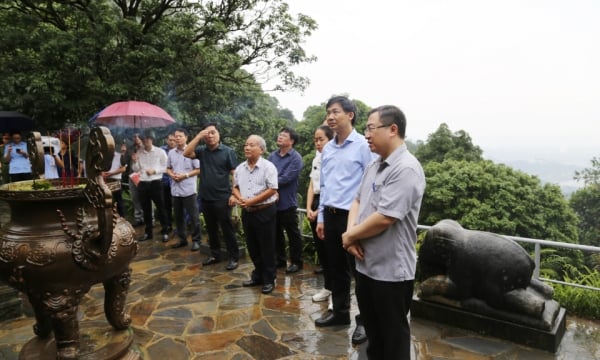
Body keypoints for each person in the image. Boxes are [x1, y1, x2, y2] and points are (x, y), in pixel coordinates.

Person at [342, 105, 425, 359]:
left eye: (370, 128)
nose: (366, 134)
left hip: (391, 273)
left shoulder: (406, 169)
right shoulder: (374, 166)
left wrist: (350, 236)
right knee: (374, 336)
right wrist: (351, 235)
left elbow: (385, 217)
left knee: (393, 339)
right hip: (366, 265)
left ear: (392, 130)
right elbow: (356, 201)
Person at [314, 96, 373, 347]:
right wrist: (322, 217)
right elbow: (325, 186)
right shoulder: (328, 148)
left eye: (335, 111)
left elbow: (371, 186)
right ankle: (339, 314)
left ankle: (365, 322)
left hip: (354, 219)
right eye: (328, 112)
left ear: (350, 115)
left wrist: (361, 225)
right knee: (335, 269)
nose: (330, 116)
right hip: (331, 215)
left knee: (361, 273)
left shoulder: (362, 145)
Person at [184, 123, 240, 270]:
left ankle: (234, 257)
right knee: (211, 228)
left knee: (227, 229)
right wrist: (197, 137)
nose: (210, 136)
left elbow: (235, 174)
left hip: (222, 197)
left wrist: (235, 194)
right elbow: (186, 153)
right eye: (207, 133)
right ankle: (215, 254)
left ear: (219, 134)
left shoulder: (228, 152)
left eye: (213, 133)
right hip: (206, 196)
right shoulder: (202, 151)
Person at [232, 135, 278, 294]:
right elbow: (235, 187)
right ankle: (257, 275)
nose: (247, 148)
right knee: (252, 246)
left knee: (267, 247)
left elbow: (272, 189)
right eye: (246, 144)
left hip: (264, 211)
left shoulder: (268, 167)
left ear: (261, 149)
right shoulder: (239, 168)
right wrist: (241, 199)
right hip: (248, 212)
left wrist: (251, 201)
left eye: (252, 145)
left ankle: (269, 279)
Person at [267, 127, 304, 273]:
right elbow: (266, 173)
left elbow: (287, 178)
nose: (280, 137)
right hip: (272, 202)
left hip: (287, 203)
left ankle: (297, 262)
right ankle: (280, 260)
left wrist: (270, 182)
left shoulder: (296, 158)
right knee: (276, 233)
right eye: (279, 135)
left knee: (293, 234)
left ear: (292, 141)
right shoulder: (272, 156)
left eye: (284, 135)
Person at [306, 125, 334, 303]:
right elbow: (311, 184)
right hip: (315, 202)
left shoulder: (334, 158)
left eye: (321, 139)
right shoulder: (316, 159)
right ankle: (328, 287)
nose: (317, 143)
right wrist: (309, 207)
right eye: (315, 139)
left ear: (331, 140)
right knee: (322, 251)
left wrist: (319, 210)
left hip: (328, 205)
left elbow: (330, 187)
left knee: (333, 252)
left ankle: (337, 292)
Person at [166, 128, 202, 250]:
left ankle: (196, 240)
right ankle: (182, 239)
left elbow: (198, 169)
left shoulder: (192, 151)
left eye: (180, 136)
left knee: (194, 216)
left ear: (186, 137)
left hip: (188, 190)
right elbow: (168, 168)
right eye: (176, 136)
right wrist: (171, 175)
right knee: (178, 217)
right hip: (175, 190)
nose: (177, 138)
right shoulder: (171, 153)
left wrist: (184, 175)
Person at [131, 131, 170, 242]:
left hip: (156, 182)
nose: (146, 141)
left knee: (161, 207)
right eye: (144, 139)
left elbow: (166, 167)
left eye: (148, 139)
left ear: (152, 139)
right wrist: (134, 161)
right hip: (142, 183)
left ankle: (165, 231)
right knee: (146, 209)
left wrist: (155, 171)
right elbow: (136, 169)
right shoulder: (138, 152)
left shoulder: (160, 152)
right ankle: (148, 233)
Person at [101, 146, 127, 217]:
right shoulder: (103, 156)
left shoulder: (119, 156)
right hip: (105, 180)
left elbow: (123, 169)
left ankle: (122, 218)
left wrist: (111, 173)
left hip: (116, 179)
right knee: (107, 200)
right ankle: (110, 218)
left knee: (118, 200)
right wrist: (102, 172)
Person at [127, 133, 145, 226]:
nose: (136, 138)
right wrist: (123, 153)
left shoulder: (146, 147)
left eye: (138, 136)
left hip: (143, 175)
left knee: (145, 197)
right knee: (135, 198)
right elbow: (123, 162)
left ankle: (149, 218)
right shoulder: (130, 149)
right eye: (134, 136)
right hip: (132, 175)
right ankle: (138, 218)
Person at [161, 132, 176, 232]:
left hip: (176, 181)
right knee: (166, 205)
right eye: (170, 140)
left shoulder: (180, 151)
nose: (172, 142)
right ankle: (168, 225)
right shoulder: (161, 150)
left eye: (174, 140)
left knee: (178, 205)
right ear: (167, 140)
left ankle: (180, 226)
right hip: (164, 181)